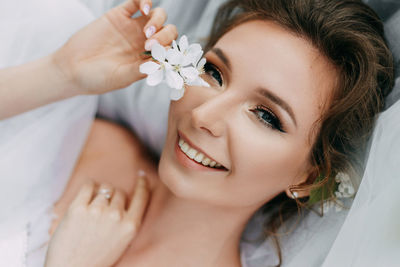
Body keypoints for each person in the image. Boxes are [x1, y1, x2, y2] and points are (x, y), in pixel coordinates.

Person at [40, 0, 394, 266]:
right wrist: (59, 73)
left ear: (310, 176)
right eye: (213, 72)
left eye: (266, 116)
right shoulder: (87, 142)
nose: (203, 115)